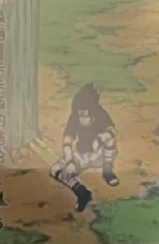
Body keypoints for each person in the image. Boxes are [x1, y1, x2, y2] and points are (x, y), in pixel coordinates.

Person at [50, 83, 119, 212]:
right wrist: (70, 161)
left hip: (99, 154)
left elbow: (113, 131)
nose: (81, 119)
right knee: (55, 169)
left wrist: (101, 138)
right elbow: (67, 139)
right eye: (79, 115)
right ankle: (82, 192)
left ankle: (108, 171)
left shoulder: (101, 114)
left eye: (85, 115)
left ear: (93, 113)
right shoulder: (74, 117)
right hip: (82, 155)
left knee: (110, 140)